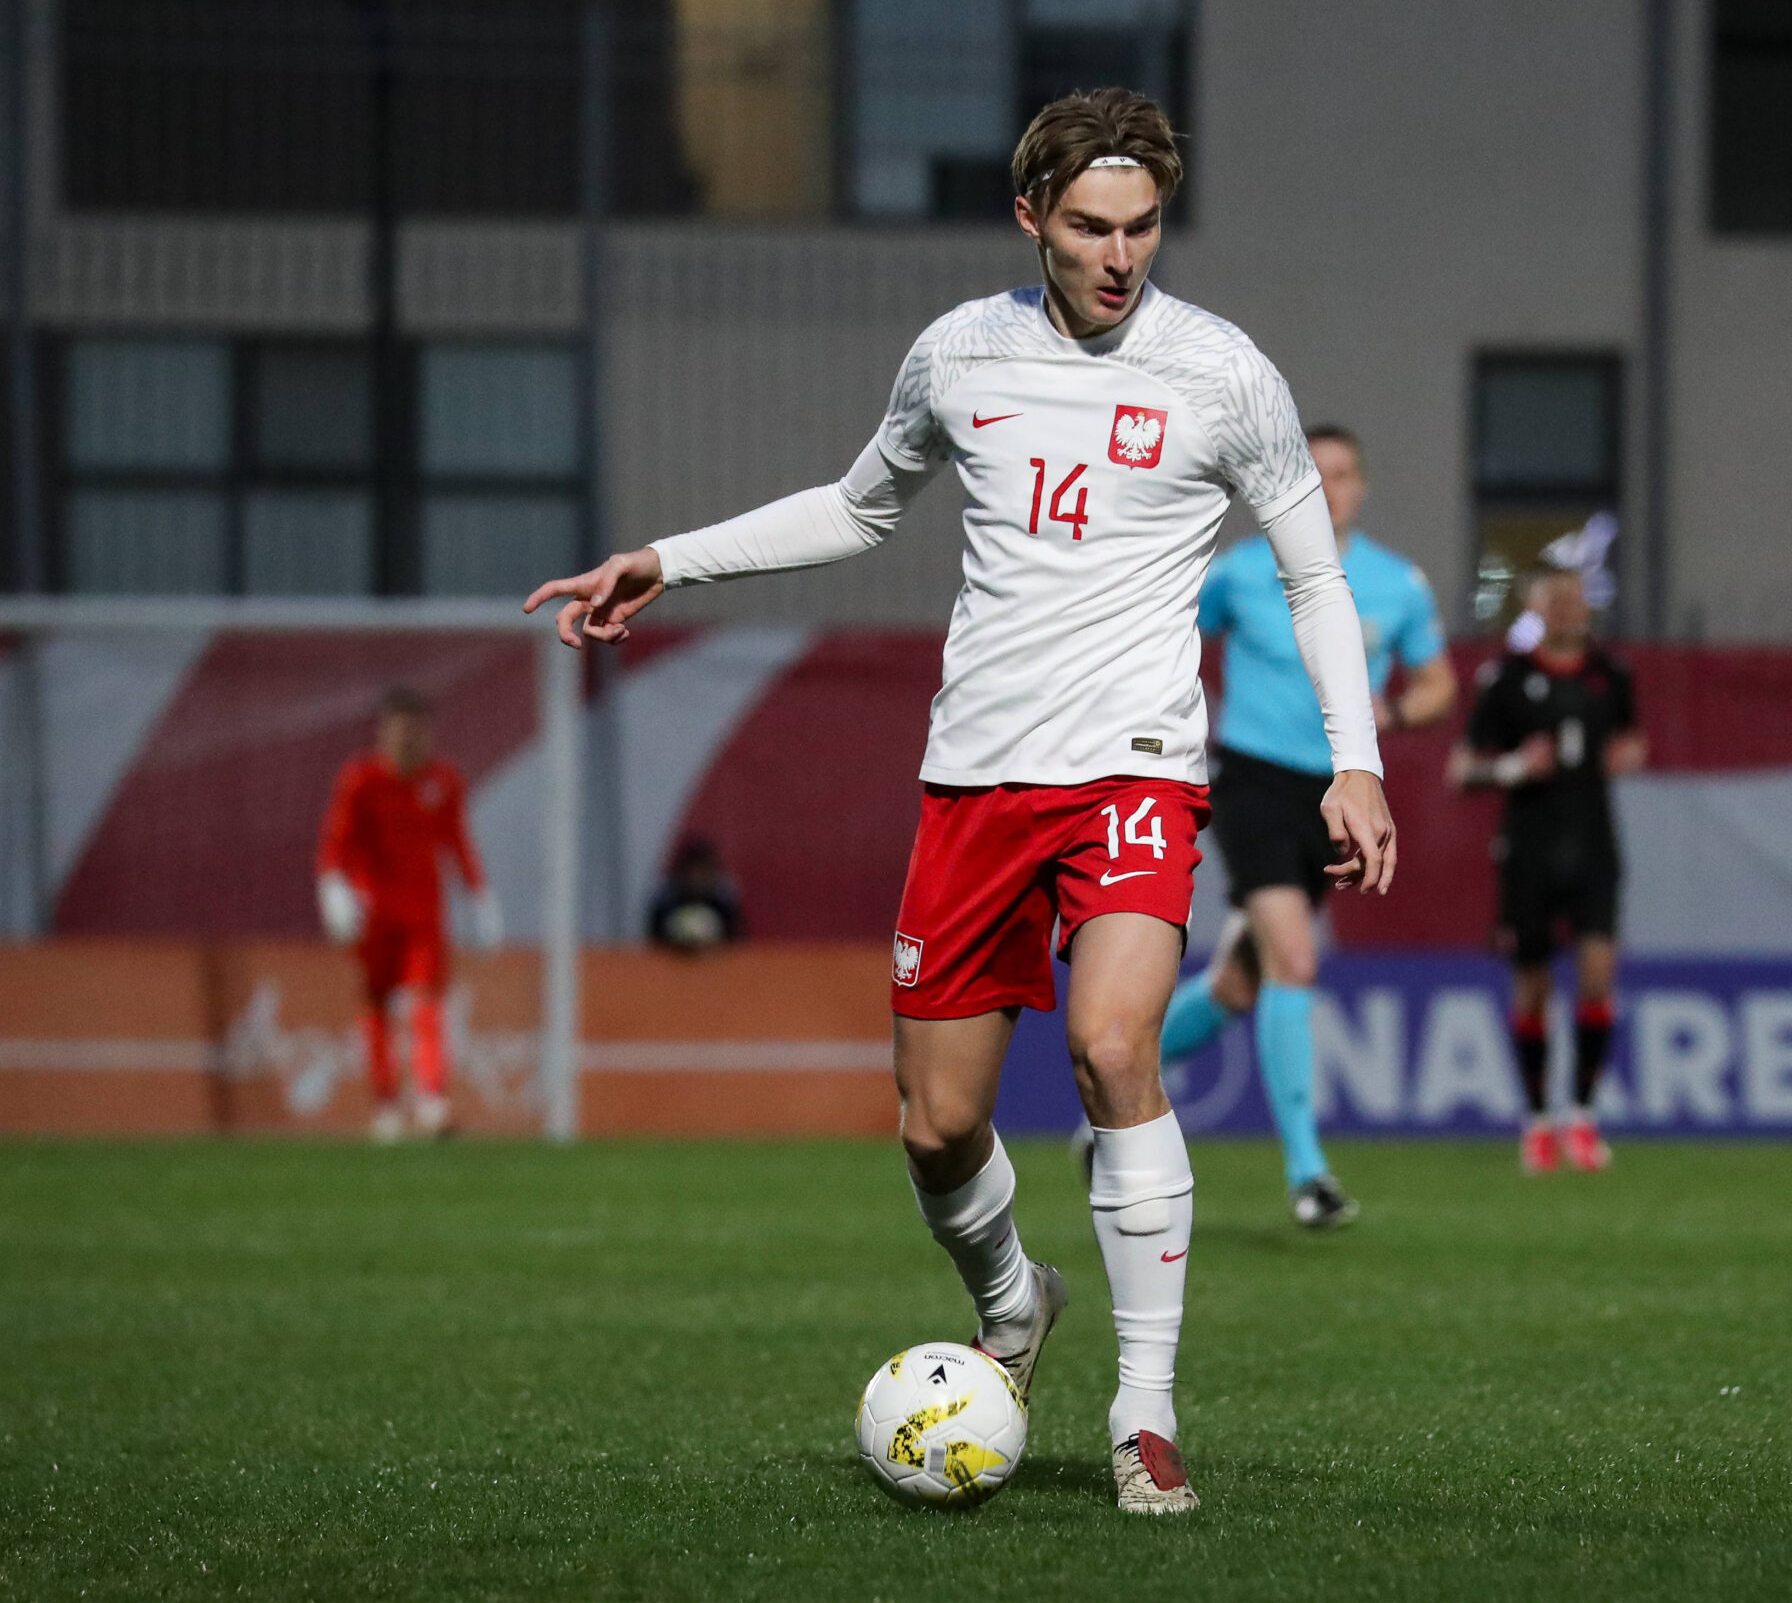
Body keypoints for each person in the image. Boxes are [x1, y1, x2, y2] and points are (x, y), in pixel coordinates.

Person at [522, 88, 1394, 1516]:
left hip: (1137, 770)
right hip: (978, 780)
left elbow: (1312, 576)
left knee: (1119, 1046)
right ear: (1031, 218)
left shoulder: (1223, 371)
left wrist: (1353, 758)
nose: (1122, 255)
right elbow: (862, 506)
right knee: (935, 1125)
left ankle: (1146, 1411)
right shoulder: (959, 352)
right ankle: (1015, 1292)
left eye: (1145, 225)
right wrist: (666, 559)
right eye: (1091, 226)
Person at [1156, 424, 1455, 1230]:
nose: (1330, 488)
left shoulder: (1396, 583)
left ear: (1362, 486)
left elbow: (1437, 684)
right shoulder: (1242, 572)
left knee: (1239, 982)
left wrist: (1389, 710)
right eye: (1313, 473)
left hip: (1339, 793)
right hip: (1252, 781)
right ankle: (1308, 1174)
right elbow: (1166, 633)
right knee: (1294, 956)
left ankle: (1116, 1100)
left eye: (1344, 474)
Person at [1448, 567, 1644, 1175]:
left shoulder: (1612, 676)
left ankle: (1581, 1116)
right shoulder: (1508, 680)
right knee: (1532, 986)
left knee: (1596, 972)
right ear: (1534, 607)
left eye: (1574, 597)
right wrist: (1512, 769)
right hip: (1528, 849)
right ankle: (1536, 1121)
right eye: (1553, 598)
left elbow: (1632, 741)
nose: (1565, 608)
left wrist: (1629, 754)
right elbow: (1461, 771)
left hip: (1593, 845)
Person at [315, 686, 501, 1143]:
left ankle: (432, 1100)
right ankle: (385, 1106)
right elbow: (335, 843)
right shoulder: (360, 780)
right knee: (375, 1004)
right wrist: (333, 889)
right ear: (384, 732)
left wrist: (479, 897)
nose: (408, 741)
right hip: (373, 913)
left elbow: (457, 841)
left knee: (427, 1004)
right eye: (399, 731)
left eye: (416, 731)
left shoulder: (442, 780)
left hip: (424, 914)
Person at [648, 834, 743, 953]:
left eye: (703, 872)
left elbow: (738, 945)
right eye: (693, 872)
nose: (697, 879)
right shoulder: (665, 907)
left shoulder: (724, 907)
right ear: (682, 874)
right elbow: (654, 946)